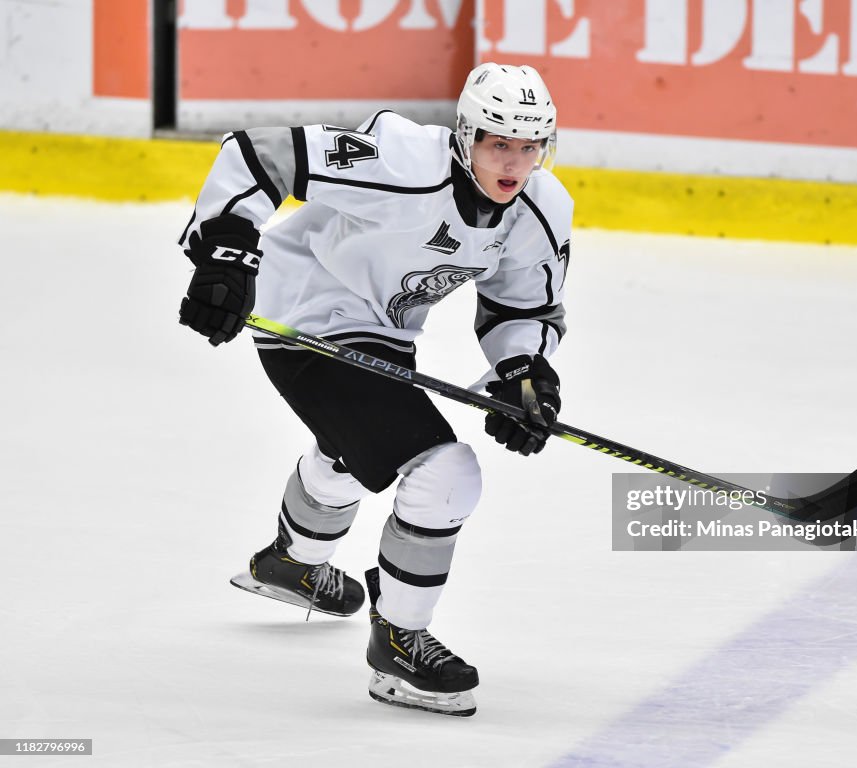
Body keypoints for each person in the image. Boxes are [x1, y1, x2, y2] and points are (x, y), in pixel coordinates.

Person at [176, 63, 571, 717]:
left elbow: (522, 308)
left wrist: (523, 370)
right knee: (445, 472)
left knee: (355, 448)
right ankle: (399, 643)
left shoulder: (540, 209)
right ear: (466, 135)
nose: (514, 162)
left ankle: (293, 562)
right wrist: (226, 251)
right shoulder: (402, 161)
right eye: (500, 143)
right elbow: (257, 154)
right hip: (302, 313)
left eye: (530, 146)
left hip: (382, 331)